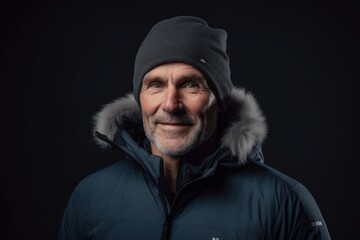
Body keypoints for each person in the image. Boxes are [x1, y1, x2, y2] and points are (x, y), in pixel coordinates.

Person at [58, 16, 331, 240]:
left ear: (220, 101)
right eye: (155, 85)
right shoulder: (90, 197)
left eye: (190, 84)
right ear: (139, 99)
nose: (171, 104)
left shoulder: (283, 202)